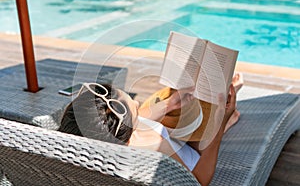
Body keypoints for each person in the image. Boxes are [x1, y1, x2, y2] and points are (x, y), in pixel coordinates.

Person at [59, 73, 243, 186]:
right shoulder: (153, 148)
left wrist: (169, 104)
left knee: (174, 101)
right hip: (195, 157)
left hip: (171, 139)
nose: (138, 102)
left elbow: (138, 120)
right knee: (212, 114)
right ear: (128, 136)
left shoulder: (102, 140)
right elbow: (199, 180)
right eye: (135, 108)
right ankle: (226, 120)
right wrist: (220, 125)